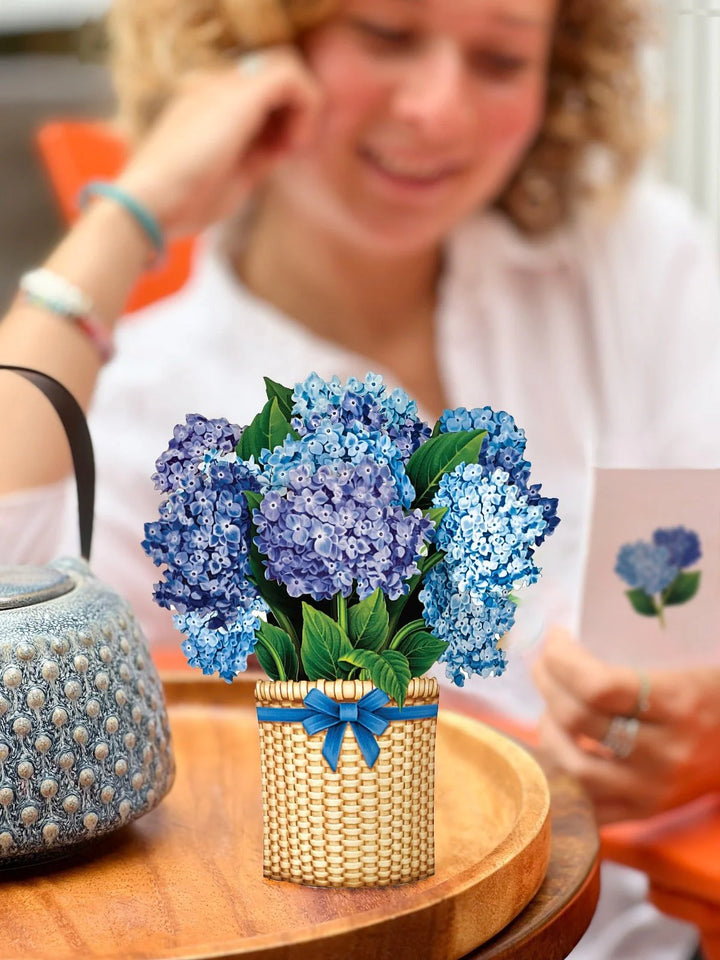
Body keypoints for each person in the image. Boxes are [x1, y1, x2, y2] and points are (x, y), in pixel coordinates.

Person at [1, 0, 719, 956]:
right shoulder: (152, 416)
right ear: (254, 49)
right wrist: (137, 210)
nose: (438, 111)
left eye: (502, 59)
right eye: (384, 35)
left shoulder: (628, 263)